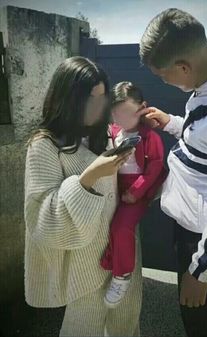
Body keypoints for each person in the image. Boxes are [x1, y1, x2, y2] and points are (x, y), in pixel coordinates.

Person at [24, 56, 143, 337]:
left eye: (102, 98)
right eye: (90, 98)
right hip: (85, 265)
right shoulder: (45, 146)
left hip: (125, 253)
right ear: (67, 98)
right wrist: (89, 177)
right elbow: (42, 220)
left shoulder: (106, 134)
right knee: (82, 329)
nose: (98, 107)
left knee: (127, 326)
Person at [139, 8, 207, 337]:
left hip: (205, 238)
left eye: (164, 76)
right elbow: (205, 143)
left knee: (204, 324)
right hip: (196, 228)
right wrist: (172, 123)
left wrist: (201, 270)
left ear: (183, 67)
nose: (164, 81)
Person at [100, 81, 167, 308]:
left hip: (136, 190)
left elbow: (155, 167)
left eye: (126, 115)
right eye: (115, 115)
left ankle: (122, 275)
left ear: (142, 108)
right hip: (114, 187)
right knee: (108, 223)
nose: (120, 121)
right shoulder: (114, 131)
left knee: (121, 226)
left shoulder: (150, 137)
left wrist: (136, 192)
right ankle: (112, 258)